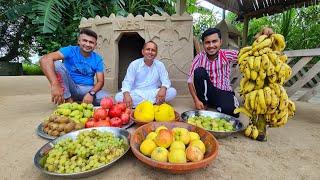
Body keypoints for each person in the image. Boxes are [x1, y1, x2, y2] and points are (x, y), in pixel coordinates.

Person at [187, 27, 274, 117]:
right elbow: (189, 81)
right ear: (203, 44)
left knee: (233, 112)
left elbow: (249, 53)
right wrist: (196, 100)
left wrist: (262, 37)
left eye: (214, 41)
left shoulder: (226, 54)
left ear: (220, 42)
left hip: (222, 91)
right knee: (199, 72)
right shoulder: (199, 57)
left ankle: (220, 104)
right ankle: (204, 103)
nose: (211, 45)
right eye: (207, 42)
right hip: (206, 92)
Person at [40, 28, 108, 106]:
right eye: (85, 40)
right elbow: (44, 59)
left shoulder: (97, 59)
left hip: (87, 89)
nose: (88, 44)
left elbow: (100, 81)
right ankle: (68, 99)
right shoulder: (70, 50)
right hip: (70, 87)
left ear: (95, 45)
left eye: (91, 42)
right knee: (57, 64)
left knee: (107, 99)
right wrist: (55, 85)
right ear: (79, 41)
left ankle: (81, 100)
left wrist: (91, 93)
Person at [115, 41, 177, 108]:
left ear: (156, 54)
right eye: (148, 49)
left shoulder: (160, 65)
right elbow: (127, 82)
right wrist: (126, 95)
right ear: (143, 52)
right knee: (118, 97)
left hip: (154, 93)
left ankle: (141, 105)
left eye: (153, 50)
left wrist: (163, 88)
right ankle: (154, 103)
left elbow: (166, 80)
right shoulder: (134, 64)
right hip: (137, 93)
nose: (150, 52)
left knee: (172, 92)